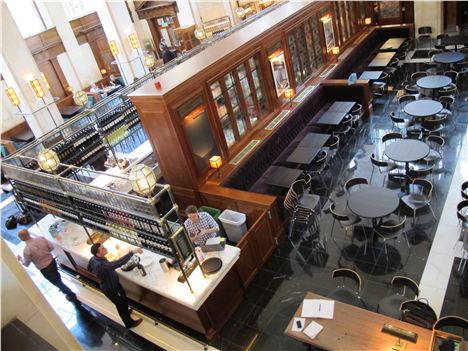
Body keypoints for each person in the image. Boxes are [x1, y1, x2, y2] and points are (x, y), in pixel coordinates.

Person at [87, 243, 143, 329]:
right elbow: (117, 264)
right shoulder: (101, 265)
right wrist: (131, 252)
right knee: (120, 305)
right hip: (111, 289)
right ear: (98, 254)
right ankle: (129, 323)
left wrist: (101, 275)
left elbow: (89, 268)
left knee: (123, 299)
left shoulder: (94, 259)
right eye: (102, 249)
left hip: (114, 284)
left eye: (103, 247)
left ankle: (126, 312)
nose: (105, 248)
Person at [17, 229, 79, 304]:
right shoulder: (41, 239)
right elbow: (51, 247)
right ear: (28, 233)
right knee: (56, 276)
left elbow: (26, 263)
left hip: (45, 269)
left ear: (21, 238)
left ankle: (71, 295)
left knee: (57, 283)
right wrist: (45, 253)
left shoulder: (27, 250)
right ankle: (61, 286)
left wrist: (20, 259)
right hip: (52, 262)